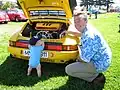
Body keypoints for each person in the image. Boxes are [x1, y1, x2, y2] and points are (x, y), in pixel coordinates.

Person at [65, 7, 112, 83]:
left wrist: (77, 59)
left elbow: (84, 59)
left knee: (69, 69)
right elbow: (81, 34)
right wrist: (69, 32)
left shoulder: (90, 36)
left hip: (99, 63)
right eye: (75, 21)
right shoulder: (87, 28)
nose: (76, 23)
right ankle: (91, 72)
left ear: (86, 21)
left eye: (79, 20)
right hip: (103, 59)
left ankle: (95, 77)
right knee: (77, 63)